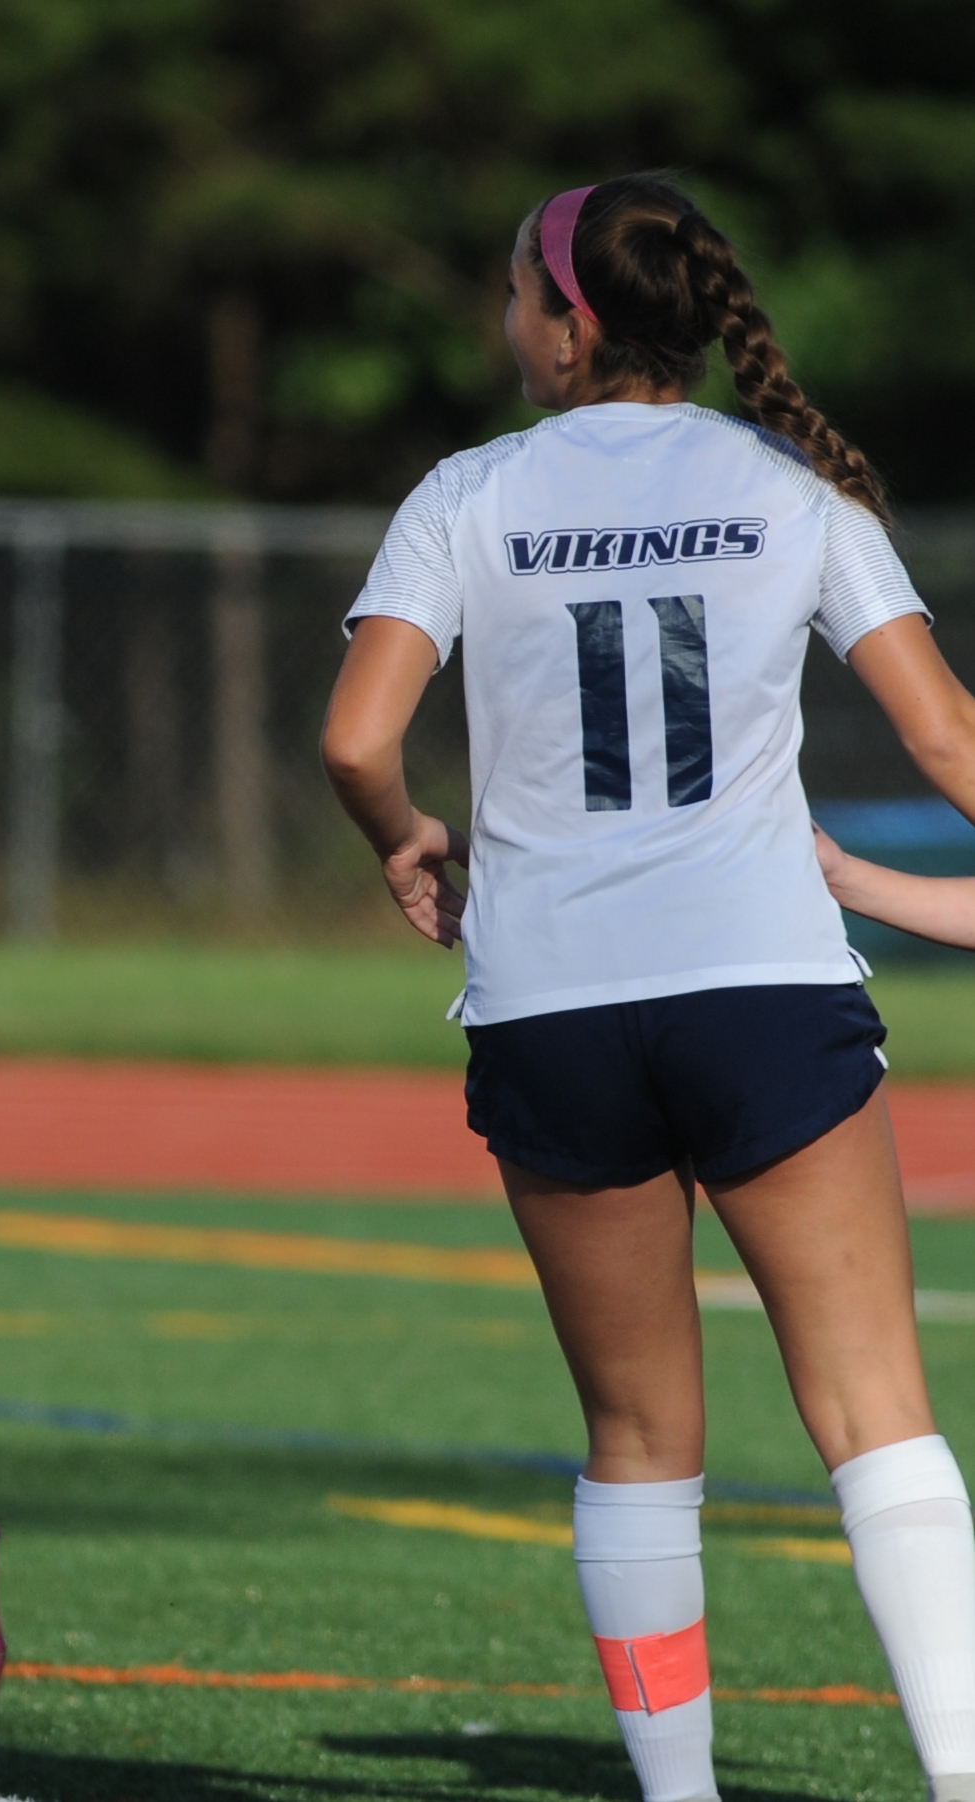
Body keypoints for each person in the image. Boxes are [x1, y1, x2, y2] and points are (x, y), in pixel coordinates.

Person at [320, 172, 975, 1802]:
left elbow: (350, 736)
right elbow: (948, 741)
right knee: (872, 1414)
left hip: (549, 1001)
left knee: (632, 1442)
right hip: (756, 981)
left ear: (568, 324)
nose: (503, 327)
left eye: (511, 300)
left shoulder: (464, 492)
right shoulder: (796, 488)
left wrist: (407, 839)